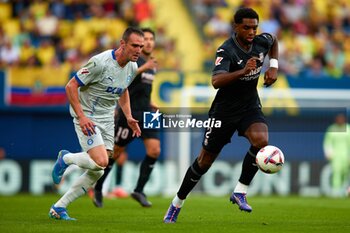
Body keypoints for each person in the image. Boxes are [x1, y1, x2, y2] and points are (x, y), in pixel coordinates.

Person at [163, 7, 279, 223]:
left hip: (249, 107)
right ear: (235, 27)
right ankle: (176, 203)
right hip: (223, 113)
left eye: (255, 27)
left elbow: (273, 41)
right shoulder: (226, 50)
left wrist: (273, 67)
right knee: (204, 162)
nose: (252, 32)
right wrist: (242, 71)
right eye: (246, 28)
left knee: (262, 140)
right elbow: (216, 81)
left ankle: (240, 191)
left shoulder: (262, 42)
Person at [48, 27, 144, 221]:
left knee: (99, 170)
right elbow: (71, 86)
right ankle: (66, 159)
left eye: (141, 46)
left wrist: (129, 116)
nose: (139, 50)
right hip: (88, 116)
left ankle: (59, 207)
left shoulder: (132, 67)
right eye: (135, 45)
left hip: (108, 118)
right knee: (101, 162)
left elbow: (123, 90)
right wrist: (82, 117)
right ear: (122, 44)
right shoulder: (100, 62)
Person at [93, 28, 160, 208]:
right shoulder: (135, 61)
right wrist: (144, 68)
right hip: (130, 113)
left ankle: (139, 190)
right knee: (115, 152)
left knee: (154, 150)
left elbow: (141, 89)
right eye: (144, 39)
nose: (148, 42)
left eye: (151, 39)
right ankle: (99, 187)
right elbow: (124, 83)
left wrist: (151, 102)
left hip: (147, 112)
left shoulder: (151, 63)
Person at [323, 113, 350, 197]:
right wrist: (328, 153)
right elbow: (327, 142)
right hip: (335, 156)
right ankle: (336, 191)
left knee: (345, 173)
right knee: (336, 171)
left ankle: (343, 190)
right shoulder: (332, 129)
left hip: (346, 155)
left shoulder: (348, 129)